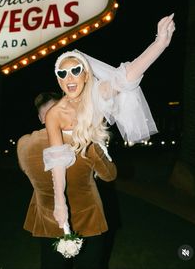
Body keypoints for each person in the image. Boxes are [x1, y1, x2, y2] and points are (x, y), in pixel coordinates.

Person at [42, 13, 176, 267]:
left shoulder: (97, 95)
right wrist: (59, 203)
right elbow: (57, 163)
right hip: (60, 185)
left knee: (93, 255)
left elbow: (127, 76)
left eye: (75, 70)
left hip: (89, 184)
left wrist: (160, 42)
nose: (70, 77)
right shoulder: (54, 115)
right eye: (63, 73)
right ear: (58, 79)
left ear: (85, 74)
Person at [17, 92, 117, 269]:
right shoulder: (85, 143)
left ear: (41, 118)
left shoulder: (24, 144)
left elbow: (29, 172)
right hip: (88, 222)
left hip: (48, 221)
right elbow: (109, 175)